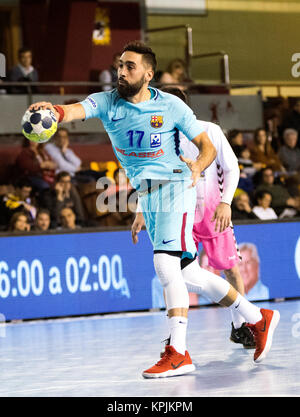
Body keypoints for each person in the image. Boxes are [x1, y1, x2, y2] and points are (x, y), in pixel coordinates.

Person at [28, 40, 280, 378]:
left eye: (129, 66)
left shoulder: (172, 106)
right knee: (189, 273)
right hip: (149, 195)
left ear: (148, 73)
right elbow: (75, 110)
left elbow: (205, 146)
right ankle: (256, 318)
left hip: (177, 188)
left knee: (165, 264)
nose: (121, 71)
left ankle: (178, 351)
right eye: (119, 65)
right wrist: (55, 112)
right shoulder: (108, 102)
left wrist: (196, 167)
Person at [139, 86, 255, 348]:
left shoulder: (209, 131)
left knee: (231, 270)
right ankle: (175, 335)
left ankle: (240, 326)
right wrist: (140, 210)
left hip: (214, 213)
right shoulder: (159, 138)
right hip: (180, 217)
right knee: (173, 273)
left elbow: (232, 167)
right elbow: (151, 176)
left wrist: (226, 202)